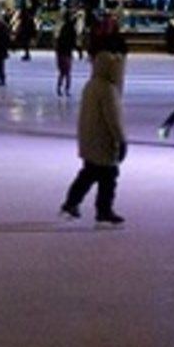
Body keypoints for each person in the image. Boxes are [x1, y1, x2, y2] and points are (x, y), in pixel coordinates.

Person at [59, 47, 128, 226]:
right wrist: (121, 140)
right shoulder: (107, 89)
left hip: (89, 139)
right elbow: (113, 119)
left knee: (89, 173)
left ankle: (71, 203)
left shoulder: (91, 85)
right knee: (108, 177)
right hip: (103, 141)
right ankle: (103, 211)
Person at [54, 14, 77, 97]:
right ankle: (66, 89)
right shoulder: (71, 30)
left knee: (62, 72)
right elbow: (73, 42)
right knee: (67, 73)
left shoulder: (63, 29)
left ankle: (59, 88)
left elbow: (59, 40)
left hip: (61, 52)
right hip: (66, 53)